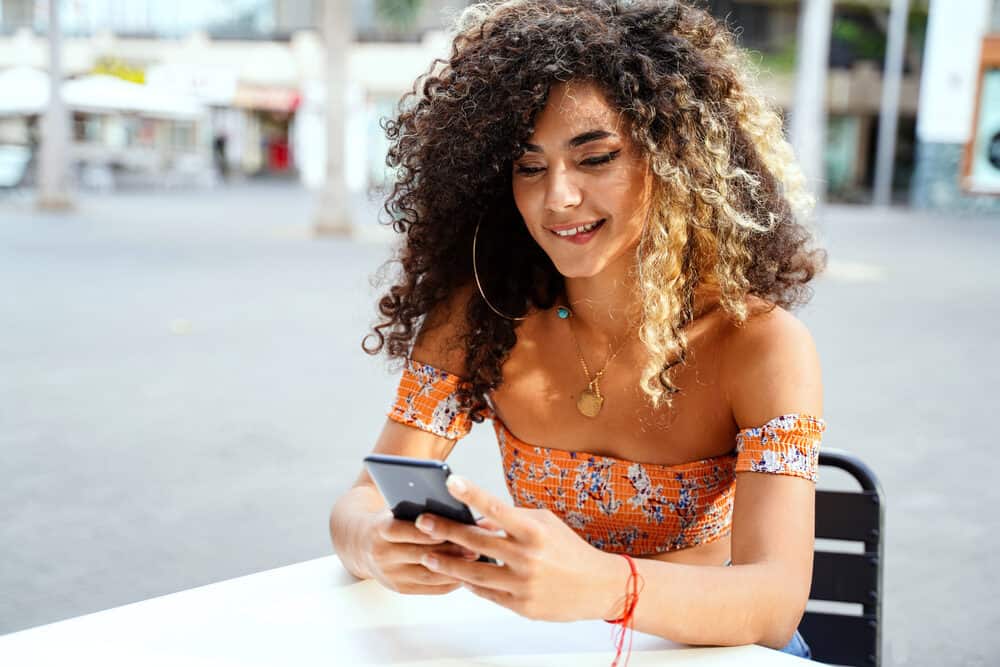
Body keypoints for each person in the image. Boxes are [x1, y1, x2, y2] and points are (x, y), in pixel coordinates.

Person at [329, 0, 826, 661]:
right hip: (548, 645)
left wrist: (603, 586)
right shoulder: (482, 317)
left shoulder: (761, 344)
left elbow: (774, 600)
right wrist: (375, 543)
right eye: (529, 166)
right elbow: (364, 497)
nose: (556, 196)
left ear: (673, 159)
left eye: (594, 158)